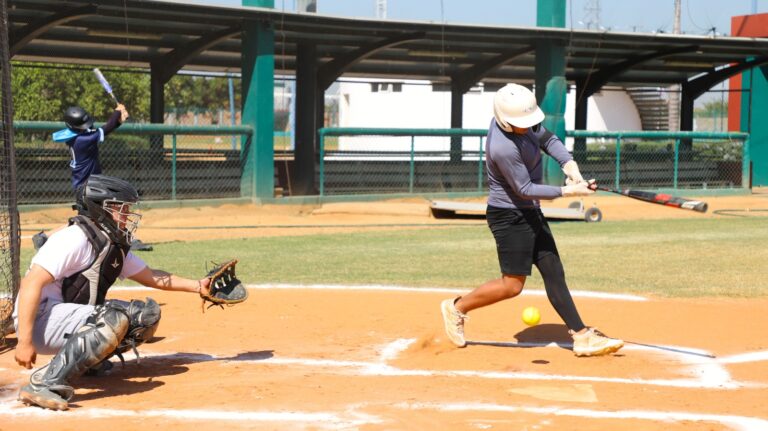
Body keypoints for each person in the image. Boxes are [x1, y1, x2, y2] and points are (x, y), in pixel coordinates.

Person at [440, 83, 623, 357]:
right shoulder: (502, 147)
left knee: (553, 271)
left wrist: (569, 165)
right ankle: (456, 308)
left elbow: (548, 139)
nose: (528, 127)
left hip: (530, 211)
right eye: (523, 124)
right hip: (509, 216)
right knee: (512, 286)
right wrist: (569, 191)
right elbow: (524, 189)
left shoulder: (522, 120)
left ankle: (582, 335)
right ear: (505, 120)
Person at [13, 175, 212, 410]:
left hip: (62, 317)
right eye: (121, 208)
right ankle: (43, 383)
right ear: (99, 208)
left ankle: (87, 363)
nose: (127, 215)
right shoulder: (74, 238)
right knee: (112, 318)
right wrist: (24, 341)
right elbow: (30, 284)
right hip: (39, 320)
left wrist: (198, 285)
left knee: (143, 316)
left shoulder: (108, 241)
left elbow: (150, 276)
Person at [33, 104, 136, 250]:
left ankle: (44, 237)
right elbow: (105, 129)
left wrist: (118, 120)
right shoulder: (83, 140)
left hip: (89, 186)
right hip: (86, 188)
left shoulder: (76, 136)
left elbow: (103, 129)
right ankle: (124, 239)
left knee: (87, 220)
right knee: (86, 221)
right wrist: (117, 112)